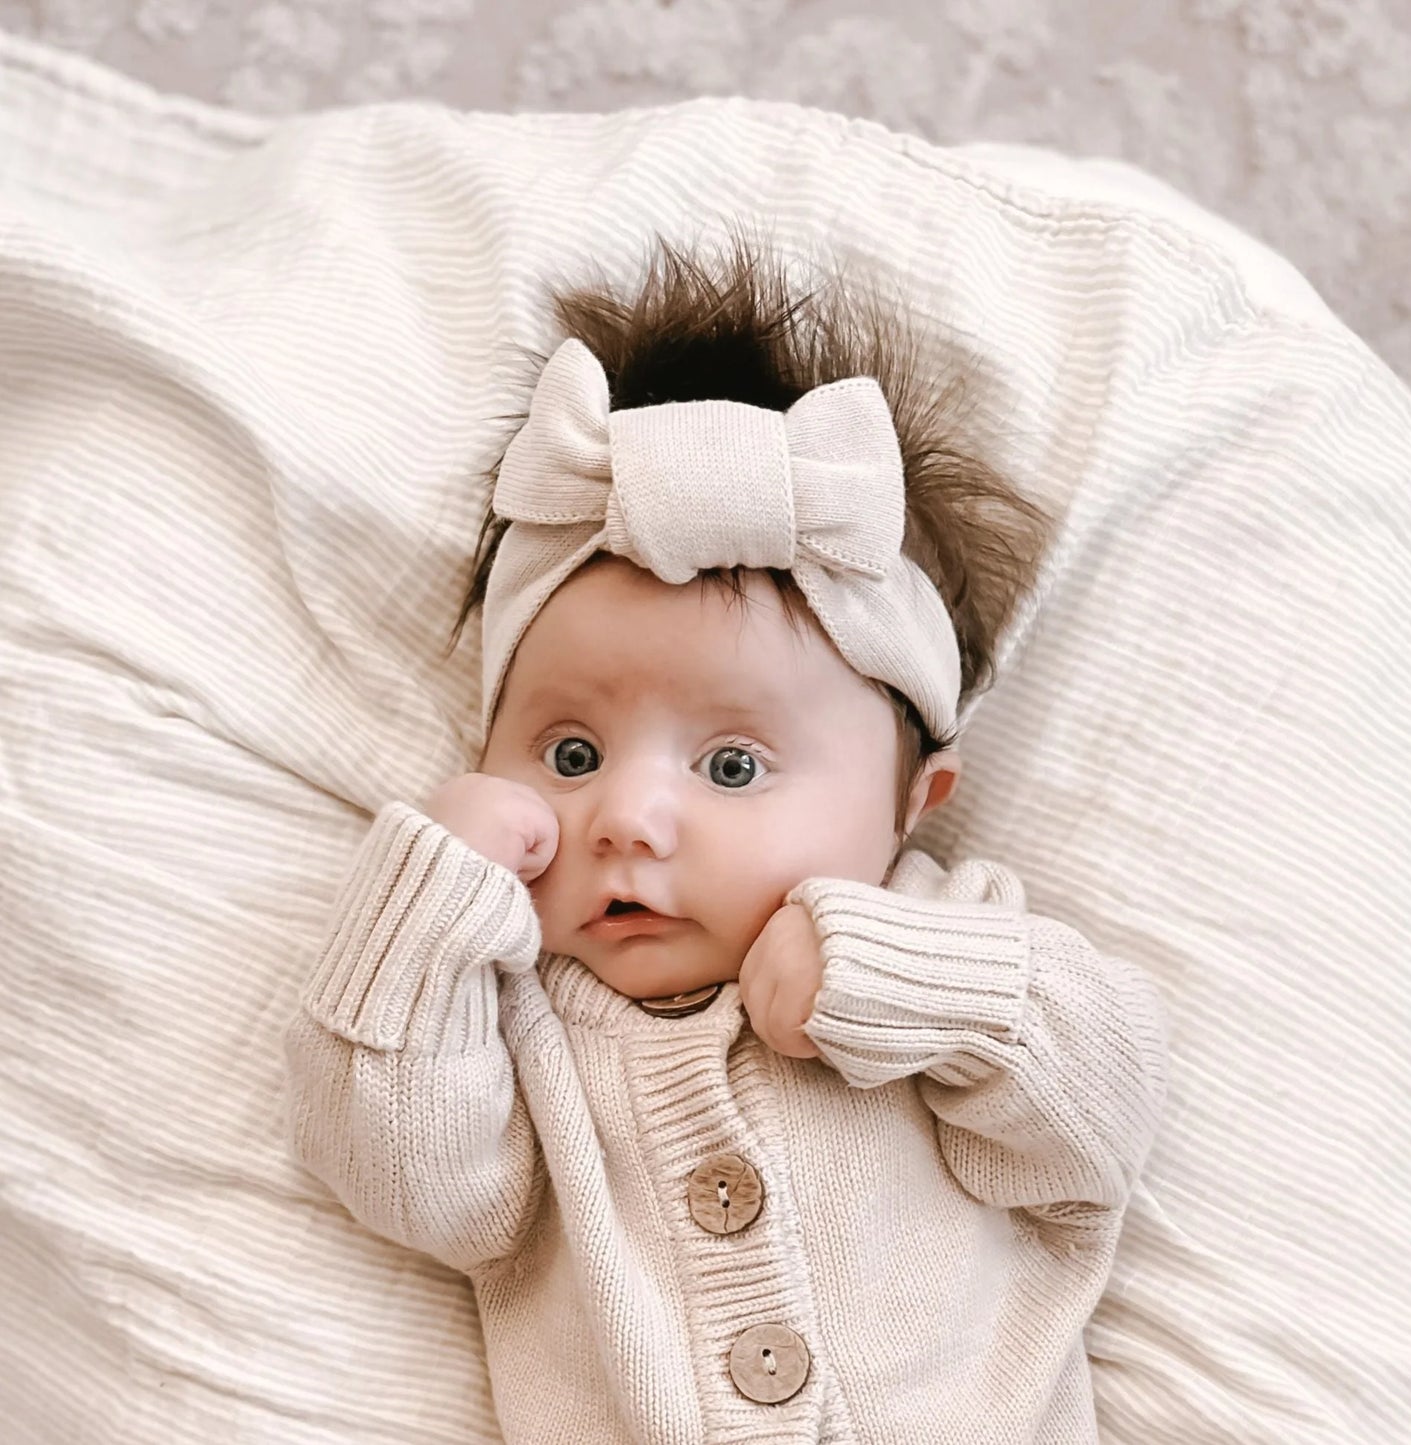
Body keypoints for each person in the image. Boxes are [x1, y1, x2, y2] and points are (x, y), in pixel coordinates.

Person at [283, 230, 1169, 1443]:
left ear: (914, 803)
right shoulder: (518, 1020)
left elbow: (1097, 1116)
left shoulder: (952, 937)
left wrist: (890, 976)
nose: (628, 819)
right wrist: (431, 900)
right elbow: (408, 1186)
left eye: (733, 765)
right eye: (570, 756)